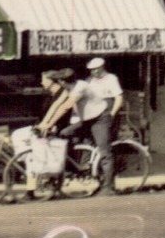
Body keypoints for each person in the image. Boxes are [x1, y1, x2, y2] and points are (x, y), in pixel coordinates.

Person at [48, 58, 123, 194]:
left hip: (100, 119)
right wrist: (45, 124)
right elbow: (58, 104)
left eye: (59, 81)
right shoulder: (74, 86)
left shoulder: (80, 87)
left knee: (104, 152)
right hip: (87, 120)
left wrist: (49, 124)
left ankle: (108, 187)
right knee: (64, 133)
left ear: (63, 82)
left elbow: (65, 107)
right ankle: (80, 170)